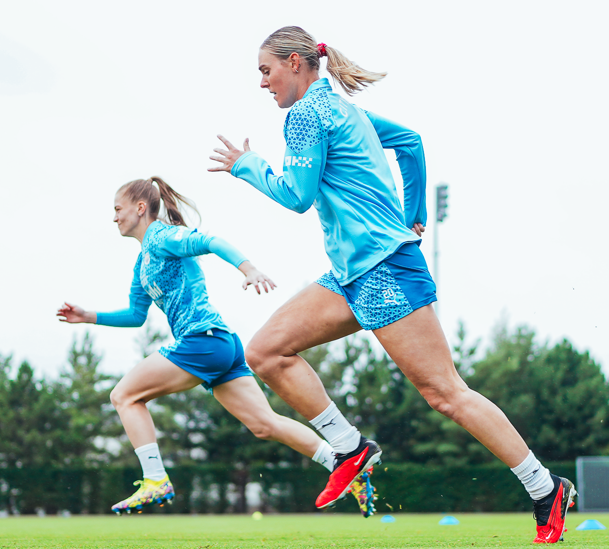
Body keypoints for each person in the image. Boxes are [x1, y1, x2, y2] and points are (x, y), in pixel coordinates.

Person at [207, 26, 575, 543]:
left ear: (294, 62)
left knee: (445, 393)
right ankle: (351, 447)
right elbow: (410, 141)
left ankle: (544, 487)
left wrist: (248, 166)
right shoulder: (342, 110)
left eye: (266, 72)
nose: (263, 84)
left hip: (383, 269)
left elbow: (296, 196)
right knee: (267, 351)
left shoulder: (307, 115)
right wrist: (415, 211)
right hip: (352, 273)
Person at [56, 176, 376, 516]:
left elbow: (210, 240)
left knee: (124, 396)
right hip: (220, 345)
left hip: (203, 341)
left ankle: (154, 480)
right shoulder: (142, 261)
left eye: (117, 209)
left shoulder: (163, 236)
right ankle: (344, 467)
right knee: (265, 424)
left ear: (139, 208)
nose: (114, 217)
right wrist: (89, 316)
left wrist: (248, 268)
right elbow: (136, 315)